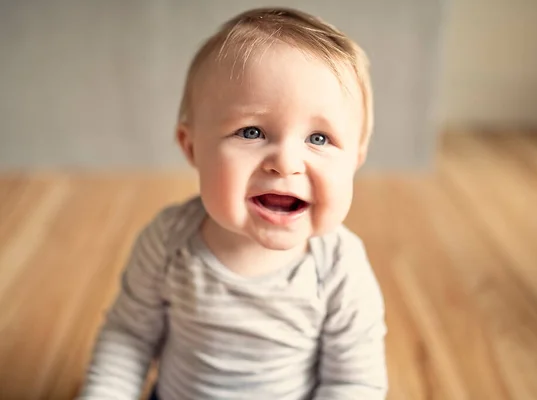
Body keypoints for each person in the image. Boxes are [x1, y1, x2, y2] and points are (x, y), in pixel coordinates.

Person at [78, 7, 387, 400]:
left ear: (355, 160)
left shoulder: (340, 267)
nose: (287, 163)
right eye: (252, 131)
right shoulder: (169, 243)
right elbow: (129, 337)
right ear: (192, 148)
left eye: (319, 139)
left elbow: (353, 382)